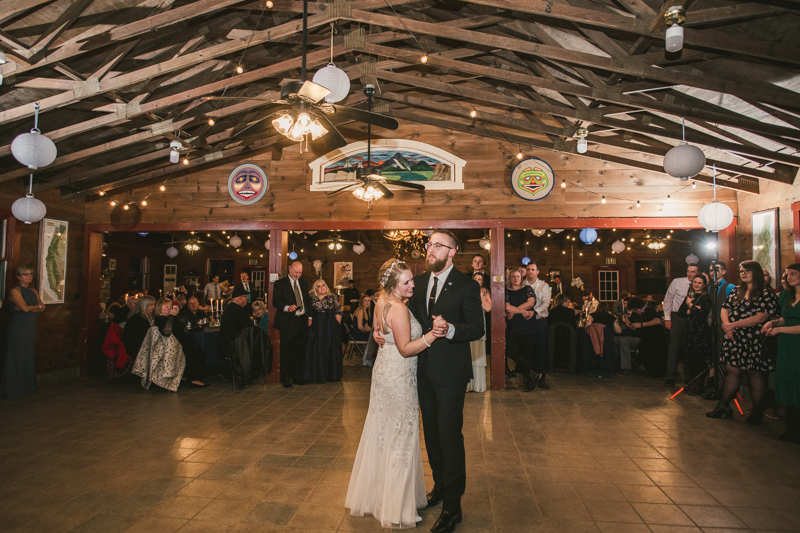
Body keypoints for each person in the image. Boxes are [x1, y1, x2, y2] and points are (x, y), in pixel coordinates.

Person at [346, 259, 445, 528]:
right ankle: (395, 507)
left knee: (383, 433)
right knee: (401, 436)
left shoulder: (381, 301)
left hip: (383, 374)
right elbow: (406, 348)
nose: (412, 284)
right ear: (393, 285)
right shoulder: (399, 308)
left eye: (412, 279)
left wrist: (380, 335)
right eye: (406, 282)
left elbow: (380, 331)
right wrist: (433, 335)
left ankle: (379, 497)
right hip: (399, 378)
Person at [404, 229, 484, 533]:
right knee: (433, 435)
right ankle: (439, 485)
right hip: (422, 369)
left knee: (450, 436)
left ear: (453, 251)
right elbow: (408, 321)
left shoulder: (466, 285)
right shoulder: (420, 282)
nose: (430, 249)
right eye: (429, 244)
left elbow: (476, 327)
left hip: (450, 373)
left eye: (438, 245)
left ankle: (453, 506)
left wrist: (450, 329)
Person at [707, 261, 779, 423]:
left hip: (754, 338)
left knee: (755, 372)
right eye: (741, 271)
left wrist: (733, 325)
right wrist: (727, 326)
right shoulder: (737, 291)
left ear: (756, 272)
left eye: (747, 271)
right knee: (733, 371)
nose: (743, 273)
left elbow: (761, 317)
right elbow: (725, 308)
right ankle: (723, 405)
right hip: (734, 337)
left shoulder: (765, 293)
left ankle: (757, 411)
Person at [762, 263, 800, 442]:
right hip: (786, 344)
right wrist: (774, 323)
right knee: (787, 380)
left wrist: (781, 330)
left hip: (796, 342)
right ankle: (792, 426)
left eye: (793, 274)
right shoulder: (787, 295)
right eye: (787, 274)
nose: (789, 277)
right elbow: (787, 318)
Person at [1, 267, 45, 399]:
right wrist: (34, 307)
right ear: (19, 277)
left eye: (30, 274)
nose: (29, 276)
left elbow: (43, 307)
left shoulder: (33, 290)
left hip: (30, 325)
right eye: (25, 274)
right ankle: (13, 388)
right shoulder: (15, 290)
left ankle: (26, 386)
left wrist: (34, 307)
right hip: (18, 326)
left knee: (27, 354)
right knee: (16, 354)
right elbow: (25, 309)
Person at [152, 298, 208, 388]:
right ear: (159, 308)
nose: (169, 309)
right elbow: (166, 331)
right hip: (171, 348)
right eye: (166, 307)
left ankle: (188, 376)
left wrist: (175, 315)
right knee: (196, 354)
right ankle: (193, 379)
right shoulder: (160, 319)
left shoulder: (171, 318)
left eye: (170, 307)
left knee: (200, 352)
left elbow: (184, 322)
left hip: (181, 344)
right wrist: (171, 316)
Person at [273, 262, 311, 388]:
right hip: (288, 322)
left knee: (300, 350)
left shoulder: (304, 284)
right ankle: (287, 378)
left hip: (302, 321)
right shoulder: (280, 284)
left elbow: (307, 301)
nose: (298, 275)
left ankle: (298, 376)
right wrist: (287, 307)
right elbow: (276, 301)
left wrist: (309, 316)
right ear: (290, 269)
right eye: (296, 272)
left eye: (300, 272)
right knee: (287, 350)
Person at [663, 264, 699, 387]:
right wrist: (667, 318)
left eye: (693, 272)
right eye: (688, 271)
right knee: (674, 347)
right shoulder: (677, 282)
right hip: (677, 316)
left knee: (689, 347)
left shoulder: (699, 284)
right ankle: (670, 376)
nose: (690, 274)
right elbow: (668, 299)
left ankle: (689, 377)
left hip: (692, 317)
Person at [505, 269, 541, 392]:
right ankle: (532, 374)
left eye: (518, 276)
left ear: (521, 278)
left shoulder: (528, 289)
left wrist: (514, 311)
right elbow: (506, 306)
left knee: (527, 354)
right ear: (510, 278)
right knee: (511, 351)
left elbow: (531, 302)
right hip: (514, 326)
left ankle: (528, 382)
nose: (515, 278)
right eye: (513, 276)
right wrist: (521, 311)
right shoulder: (507, 291)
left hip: (528, 324)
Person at [304, 279, 343, 382]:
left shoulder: (332, 296)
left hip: (330, 324)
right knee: (316, 347)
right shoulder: (311, 298)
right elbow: (308, 311)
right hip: (316, 326)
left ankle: (332, 374)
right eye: (319, 286)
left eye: (323, 285)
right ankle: (316, 374)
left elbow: (338, 311)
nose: (322, 287)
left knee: (330, 348)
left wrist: (336, 325)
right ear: (315, 288)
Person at [679, 275, 713, 395]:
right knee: (691, 358)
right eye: (695, 282)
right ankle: (693, 382)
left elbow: (701, 314)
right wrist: (691, 308)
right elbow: (681, 312)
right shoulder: (690, 296)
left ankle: (699, 384)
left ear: (704, 285)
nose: (696, 284)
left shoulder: (706, 298)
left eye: (699, 283)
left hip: (701, 332)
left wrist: (690, 306)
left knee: (700, 359)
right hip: (690, 331)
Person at [617, 297, 663, 375]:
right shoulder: (635, 314)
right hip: (637, 335)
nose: (635, 312)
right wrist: (628, 323)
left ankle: (626, 367)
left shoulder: (649, 311)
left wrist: (641, 325)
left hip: (646, 338)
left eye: (635, 310)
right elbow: (632, 324)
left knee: (623, 341)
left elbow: (658, 321)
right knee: (616, 339)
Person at [523, 262, 551, 389]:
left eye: (533, 269)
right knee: (527, 350)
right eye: (528, 269)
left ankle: (541, 377)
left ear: (537, 271)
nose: (530, 272)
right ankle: (528, 377)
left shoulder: (544, 286)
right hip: (525, 320)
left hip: (540, 320)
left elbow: (546, 303)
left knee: (541, 349)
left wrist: (534, 312)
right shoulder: (522, 284)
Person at [467, 272, 491, 393]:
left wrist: (480, 295)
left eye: (479, 279)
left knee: (479, 355)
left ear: (483, 282)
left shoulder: (486, 293)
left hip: (480, 323)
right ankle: (469, 385)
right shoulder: (467, 291)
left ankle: (479, 385)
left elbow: (488, 308)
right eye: (475, 278)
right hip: (469, 324)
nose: (477, 280)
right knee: (469, 355)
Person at [121, 295, 156, 366]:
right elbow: (141, 336)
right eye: (151, 305)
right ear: (144, 305)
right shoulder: (137, 319)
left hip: (142, 344)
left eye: (153, 305)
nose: (153, 307)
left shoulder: (147, 317)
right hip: (135, 347)